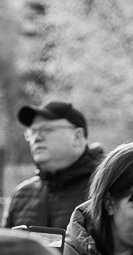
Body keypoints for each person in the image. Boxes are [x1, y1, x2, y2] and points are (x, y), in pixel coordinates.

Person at [7, 100, 102, 240]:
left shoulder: (104, 188)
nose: (37, 138)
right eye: (32, 132)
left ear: (77, 137)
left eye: (47, 130)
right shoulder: (21, 195)